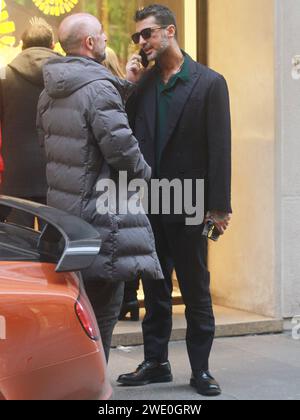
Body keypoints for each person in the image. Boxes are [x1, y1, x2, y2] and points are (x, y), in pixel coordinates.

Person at [117, 4, 232, 396]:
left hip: (190, 202)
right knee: (154, 287)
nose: (141, 42)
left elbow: (220, 147)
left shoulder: (209, 82)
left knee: (196, 287)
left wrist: (219, 206)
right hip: (150, 202)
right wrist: (130, 82)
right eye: (137, 37)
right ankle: (156, 362)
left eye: (146, 34)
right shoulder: (145, 84)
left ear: (169, 31)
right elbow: (126, 133)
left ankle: (200, 369)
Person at [36, 13, 163, 362]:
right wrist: (146, 176)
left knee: (76, 316)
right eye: (101, 34)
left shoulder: (49, 92)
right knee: (103, 315)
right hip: (102, 222)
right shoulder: (99, 88)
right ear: (90, 43)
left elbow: (47, 148)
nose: (107, 38)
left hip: (65, 221)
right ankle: (95, 391)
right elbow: (122, 150)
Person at [0, 18, 59, 226]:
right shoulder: (66, 75)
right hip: (58, 173)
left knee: (20, 246)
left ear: (22, 45)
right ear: (52, 45)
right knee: (55, 244)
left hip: (16, 174)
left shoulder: (4, 75)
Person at [103, 46, 140, 322]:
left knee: (117, 239)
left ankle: (124, 299)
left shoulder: (109, 92)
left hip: (115, 178)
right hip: (128, 179)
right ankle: (130, 298)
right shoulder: (126, 89)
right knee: (129, 238)